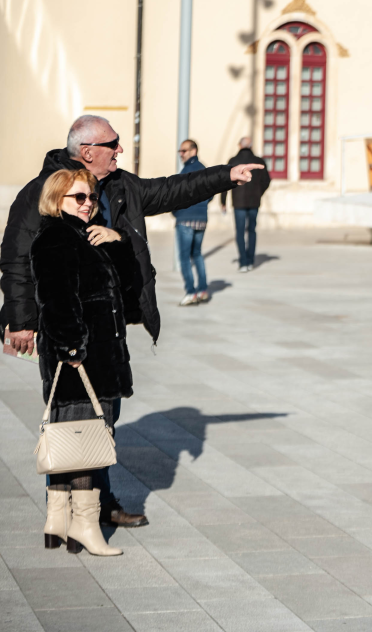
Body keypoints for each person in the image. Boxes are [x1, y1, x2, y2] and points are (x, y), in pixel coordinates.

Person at [1, 115, 263, 527]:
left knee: (104, 416)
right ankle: (68, 512)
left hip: (107, 325)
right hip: (67, 327)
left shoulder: (120, 185)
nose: (119, 149)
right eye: (113, 143)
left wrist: (225, 176)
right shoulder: (44, 190)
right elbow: (16, 257)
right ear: (88, 151)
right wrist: (19, 321)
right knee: (70, 418)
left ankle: (97, 504)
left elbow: (171, 189)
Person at [33, 169, 142, 556]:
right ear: (56, 200)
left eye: (91, 198)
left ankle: (58, 520)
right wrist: (73, 350)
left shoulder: (86, 235)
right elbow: (56, 301)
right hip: (82, 362)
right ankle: (85, 525)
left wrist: (118, 242)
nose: (87, 204)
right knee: (85, 444)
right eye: (78, 198)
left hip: (96, 358)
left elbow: (129, 292)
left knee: (74, 439)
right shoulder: (57, 238)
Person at [220, 137, 271, 273]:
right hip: (254, 201)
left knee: (240, 232)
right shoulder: (259, 161)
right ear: (251, 146)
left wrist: (223, 201)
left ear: (239, 145)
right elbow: (266, 181)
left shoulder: (233, 161)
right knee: (252, 231)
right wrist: (259, 193)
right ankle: (251, 261)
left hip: (239, 202)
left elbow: (225, 182)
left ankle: (243, 262)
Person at [173, 140, 210, 306]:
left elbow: (176, 195)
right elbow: (211, 192)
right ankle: (203, 290)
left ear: (193, 151)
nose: (181, 154)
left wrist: (176, 212)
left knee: (184, 258)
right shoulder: (204, 169)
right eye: (180, 151)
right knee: (197, 254)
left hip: (186, 219)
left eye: (184, 151)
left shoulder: (186, 171)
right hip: (201, 219)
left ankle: (191, 292)